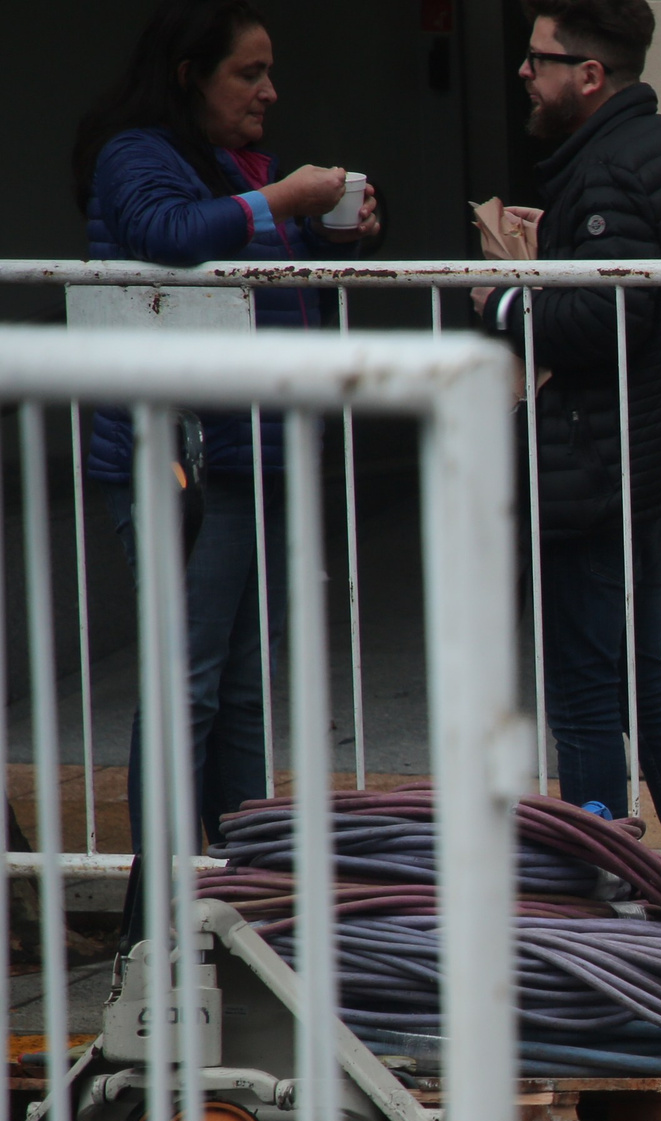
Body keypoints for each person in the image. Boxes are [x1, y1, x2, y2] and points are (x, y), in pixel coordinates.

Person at [74, 0, 379, 940]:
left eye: (269, 72)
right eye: (249, 73)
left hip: (258, 458)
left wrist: (325, 236)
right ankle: (153, 923)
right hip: (188, 465)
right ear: (189, 75)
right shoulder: (137, 154)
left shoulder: (233, 166)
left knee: (241, 688)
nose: (269, 91)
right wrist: (282, 202)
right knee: (189, 684)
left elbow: (246, 276)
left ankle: (250, 908)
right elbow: (169, 237)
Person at [475, 0, 661, 926]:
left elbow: (607, 319)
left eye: (539, 59)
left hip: (596, 472)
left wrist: (504, 298)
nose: (525, 73)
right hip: (651, 465)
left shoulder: (608, 171)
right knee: (639, 673)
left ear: (589, 75)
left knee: (591, 693)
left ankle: (602, 915)